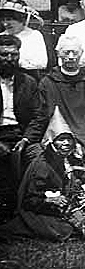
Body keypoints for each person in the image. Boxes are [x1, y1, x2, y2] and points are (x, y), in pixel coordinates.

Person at [0, 108, 85, 242]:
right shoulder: (42, 165)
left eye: (69, 139)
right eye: (61, 139)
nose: (66, 143)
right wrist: (50, 200)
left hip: (75, 200)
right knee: (71, 223)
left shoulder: (72, 158)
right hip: (50, 208)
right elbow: (30, 199)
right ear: (51, 142)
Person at [30, 35, 85, 177]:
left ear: (81, 54)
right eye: (66, 52)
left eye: (74, 52)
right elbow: (44, 115)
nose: (70, 56)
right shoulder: (47, 82)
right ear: (58, 54)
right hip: (59, 130)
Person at [0, 34, 46, 218]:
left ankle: (31, 206)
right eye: (4, 55)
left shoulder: (28, 82)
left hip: (21, 135)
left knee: (39, 157)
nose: (9, 59)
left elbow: (38, 116)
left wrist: (27, 139)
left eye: (14, 55)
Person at [0, 1, 48, 75]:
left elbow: (41, 63)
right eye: (3, 19)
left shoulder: (35, 36)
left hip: (28, 78)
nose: (5, 23)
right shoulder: (1, 36)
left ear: (22, 20)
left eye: (10, 19)